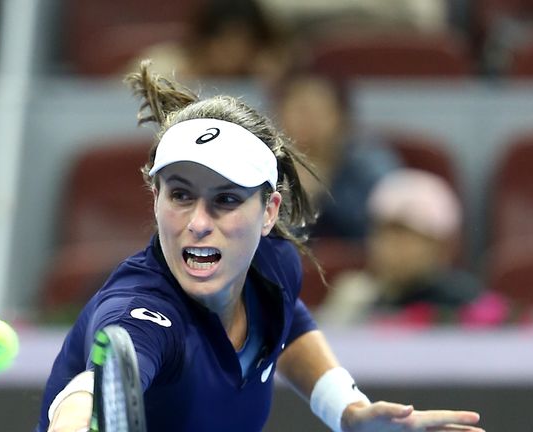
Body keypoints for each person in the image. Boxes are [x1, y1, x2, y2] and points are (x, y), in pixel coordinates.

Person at [38, 61, 483, 432]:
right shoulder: (142, 310)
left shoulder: (273, 264)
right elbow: (87, 392)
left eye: (226, 200)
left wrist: (348, 411)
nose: (197, 223)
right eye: (179, 195)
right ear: (155, 199)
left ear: (269, 211)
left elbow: (289, 326)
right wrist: (78, 417)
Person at [317, 169, 506, 327]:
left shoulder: (466, 302)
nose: (392, 247)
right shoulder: (356, 296)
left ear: (440, 246)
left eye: (408, 237)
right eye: (384, 233)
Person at [275, 74, 402, 240]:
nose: (308, 120)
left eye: (319, 111)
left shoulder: (369, 163)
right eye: (300, 110)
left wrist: (323, 192)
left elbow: (385, 229)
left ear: (342, 117)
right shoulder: (262, 165)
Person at [131, 0, 289, 84]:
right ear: (204, 40)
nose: (236, 54)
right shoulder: (158, 69)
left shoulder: (260, 75)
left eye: (245, 45)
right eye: (226, 43)